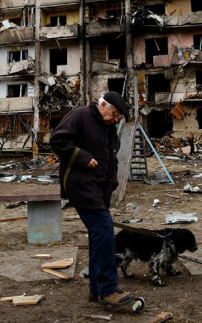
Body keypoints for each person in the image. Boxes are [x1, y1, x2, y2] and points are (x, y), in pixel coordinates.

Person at [50, 91, 135, 307]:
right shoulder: (80, 115)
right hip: (81, 186)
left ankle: (96, 290)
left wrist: (111, 184)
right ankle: (108, 290)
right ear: (103, 104)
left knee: (98, 237)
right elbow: (57, 139)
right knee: (105, 231)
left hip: (99, 190)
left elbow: (109, 158)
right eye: (114, 114)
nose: (115, 119)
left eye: (118, 117)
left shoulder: (108, 126)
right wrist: (82, 157)